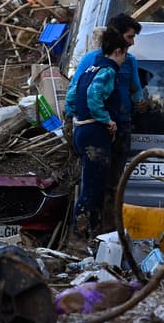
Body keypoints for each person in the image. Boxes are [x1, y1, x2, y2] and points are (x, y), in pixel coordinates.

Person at [65, 13, 145, 230]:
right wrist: (80, 120)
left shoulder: (130, 61)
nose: (132, 43)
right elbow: (77, 93)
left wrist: (142, 105)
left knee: (113, 184)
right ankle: (87, 231)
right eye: (129, 37)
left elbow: (137, 91)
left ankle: (108, 233)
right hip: (99, 127)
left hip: (121, 126)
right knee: (93, 182)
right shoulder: (93, 61)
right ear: (116, 38)